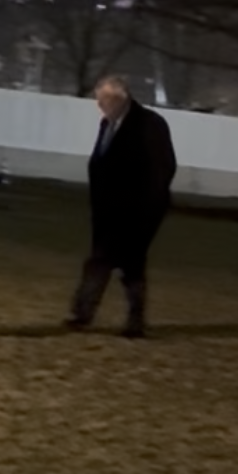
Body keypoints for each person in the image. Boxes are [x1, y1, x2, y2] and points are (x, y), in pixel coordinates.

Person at [66, 75, 176, 339]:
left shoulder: (149, 124)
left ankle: (129, 320)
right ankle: (86, 314)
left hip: (137, 212)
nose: (99, 105)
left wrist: (146, 208)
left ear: (119, 98)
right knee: (104, 262)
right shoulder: (109, 124)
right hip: (109, 212)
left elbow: (162, 168)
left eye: (103, 99)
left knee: (127, 264)